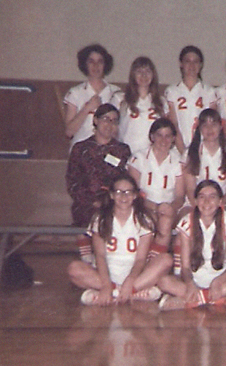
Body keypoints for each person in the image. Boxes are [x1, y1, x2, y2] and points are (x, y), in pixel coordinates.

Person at [67, 173, 173, 306]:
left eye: (128, 192)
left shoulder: (144, 219)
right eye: (118, 192)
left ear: (135, 195)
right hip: (106, 274)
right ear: (111, 195)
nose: (123, 196)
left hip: (136, 274)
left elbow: (140, 259)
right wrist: (106, 285)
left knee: (166, 260)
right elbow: (100, 256)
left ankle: (114, 294)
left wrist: (130, 280)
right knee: (74, 268)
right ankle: (129, 293)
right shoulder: (100, 219)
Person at [158, 180, 226, 310]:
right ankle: (220, 299)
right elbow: (185, 267)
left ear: (220, 201)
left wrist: (218, 282)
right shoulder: (186, 222)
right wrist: (190, 283)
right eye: (202, 197)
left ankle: (195, 299)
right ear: (196, 201)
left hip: (222, 282)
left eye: (212, 197)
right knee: (163, 281)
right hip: (195, 281)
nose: (207, 202)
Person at [66, 103, 131, 263]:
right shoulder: (80, 149)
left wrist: (110, 199)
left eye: (114, 120)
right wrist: (91, 200)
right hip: (86, 203)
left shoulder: (122, 150)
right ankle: (88, 259)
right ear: (95, 120)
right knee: (87, 216)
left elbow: (125, 181)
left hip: (114, 202)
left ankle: (109, 259)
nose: (109, 124)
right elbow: (72, 182)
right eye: (105, 119)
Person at [128, 117, 185, 251]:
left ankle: (154, 260)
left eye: (168, 136)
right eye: (159, 135)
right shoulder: (138, 158)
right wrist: (154, 206)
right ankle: (149, 260)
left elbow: (180, 196)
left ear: (173, 139)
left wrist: (170, 208)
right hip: (144, 206)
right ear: (152, 136)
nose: (163, 140)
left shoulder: (178, 161)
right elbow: (132, 192)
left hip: (168, 209)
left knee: (165, 220)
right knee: (151, 220)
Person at [64, 44, 122, 149]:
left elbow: (119, 129)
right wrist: (87, 108)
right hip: (81, 151)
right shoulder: (75, 93)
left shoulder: (116, 93)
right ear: (85, 64)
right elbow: (69, 132)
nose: (96, 66)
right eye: (91, 61)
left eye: (100, 62)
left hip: (108, 151)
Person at [165, 45, 216, 152]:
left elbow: (212, 123)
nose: (192, 65)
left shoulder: (209, 91)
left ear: (201, 65)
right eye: (187, 61)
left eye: (196, 61)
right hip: (177, 149)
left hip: (203, 149)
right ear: (181, 64)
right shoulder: (172, 91)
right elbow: (173, 124)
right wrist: (183, 151)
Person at [119, 56, 169, 154]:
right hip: (128, 154)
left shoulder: (162, 102)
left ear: (153, 75)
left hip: (152, 156)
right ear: (133, 75)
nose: (143, 75)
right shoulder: (121, 100)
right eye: (139, 71)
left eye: (148, 71)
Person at [183, 108, 226, 206]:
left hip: (223, 205)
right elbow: (190, 189)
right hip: (196, 205)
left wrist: (219, 207)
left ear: (221, 126)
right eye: (205, 125)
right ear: (199, 129)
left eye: (214, 124)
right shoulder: (190, 152)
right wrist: (200, 209)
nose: (209, 129)